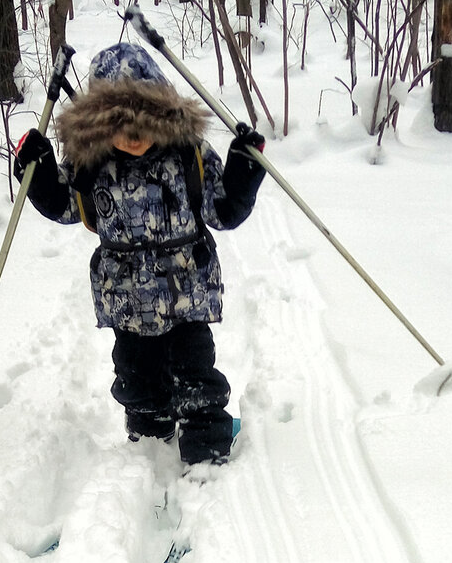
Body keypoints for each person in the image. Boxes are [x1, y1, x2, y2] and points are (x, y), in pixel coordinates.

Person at [14, 43, 266, 466]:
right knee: (136, 382)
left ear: (162, 115)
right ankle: (152, 444)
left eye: (143, 122)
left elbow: (221, 211)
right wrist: (37, 176)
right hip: (126, 300)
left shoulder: (188, 155)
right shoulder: (90, 163)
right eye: (119, 125)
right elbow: (66, 206)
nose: (133, 136)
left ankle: (206, 453)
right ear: (98, 125)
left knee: (196, 379)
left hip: (187, 296)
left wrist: (243, 174)